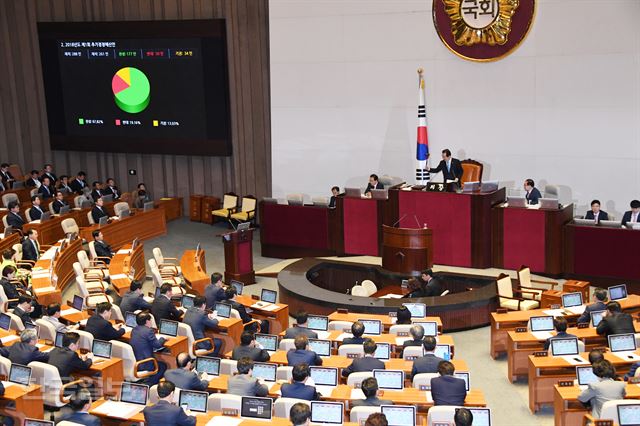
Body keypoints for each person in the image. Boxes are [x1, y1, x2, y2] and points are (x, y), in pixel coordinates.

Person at [130, 312, 168, 385]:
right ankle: (149, 384)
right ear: (147, 321)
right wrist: (163, 338)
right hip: (146, 363)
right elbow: (157, 345)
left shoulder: (134, 330)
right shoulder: (148, 331)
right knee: (163, 366)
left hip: (137, 361)